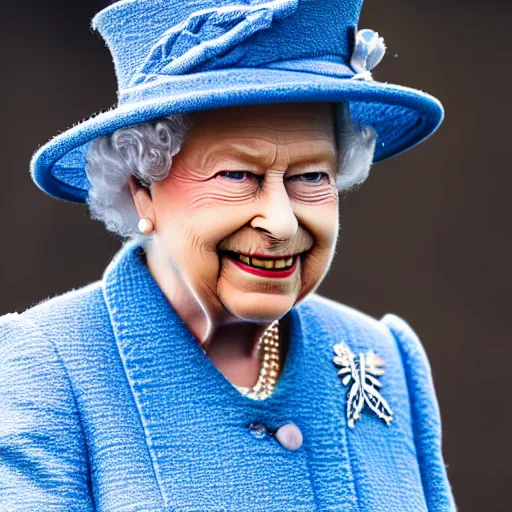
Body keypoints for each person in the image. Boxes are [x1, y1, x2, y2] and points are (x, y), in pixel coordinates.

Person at [0, 0, 456, 510]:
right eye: (237, 175)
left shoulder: (385, 357)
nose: (282, 223)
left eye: (311, 177)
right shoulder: (49, 369)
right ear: (141, 188)